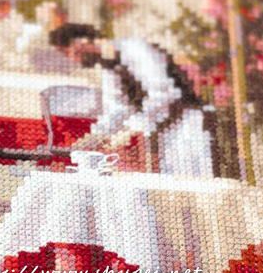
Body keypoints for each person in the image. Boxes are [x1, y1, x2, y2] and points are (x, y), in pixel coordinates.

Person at [49, 23, 217, 178]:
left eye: (68, 52)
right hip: (163, 131)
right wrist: (96, 136)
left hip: (188, 124)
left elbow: (163, 94)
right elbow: (119, 107)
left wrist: (131, 130)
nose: (71, 59)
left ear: (81, 41)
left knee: (195, 177)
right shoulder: (108, 65)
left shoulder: (135, 49)